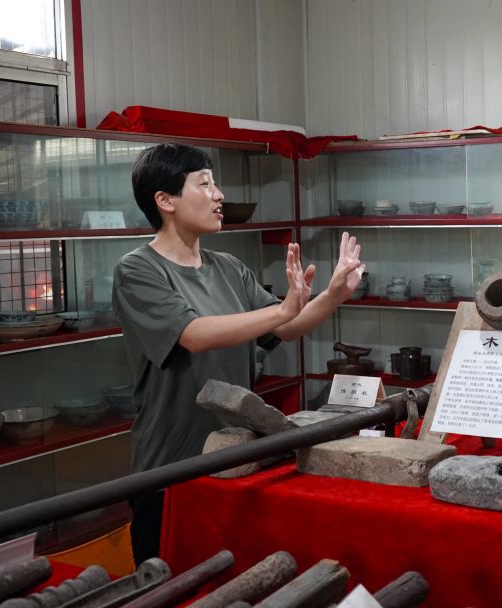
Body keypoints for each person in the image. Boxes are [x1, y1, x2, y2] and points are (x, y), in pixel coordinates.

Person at [112, 143, 364, 564]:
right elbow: (193, 334)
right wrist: (283, 309)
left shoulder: (228, 266)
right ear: (164, 200)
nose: (219, 195)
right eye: (204, 184)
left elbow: (286, 327)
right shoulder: (138, 269)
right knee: (170, 581)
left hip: (236, 457)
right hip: (170, 467)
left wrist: (334, 293)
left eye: (215, 184)